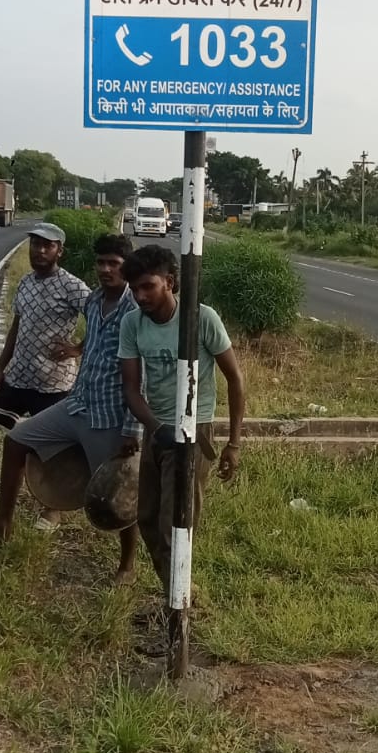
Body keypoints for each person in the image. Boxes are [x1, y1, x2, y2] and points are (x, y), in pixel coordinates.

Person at [0, 234, 141, 579]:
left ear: (127, 267)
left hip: (108, 416)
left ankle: (127, 565)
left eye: (113, 264)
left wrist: (132, 429)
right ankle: (2, 524)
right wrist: (77, 349)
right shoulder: (95, 299)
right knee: (16, 441)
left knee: (119, 490)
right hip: (76, 403)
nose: (105, 269)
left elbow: (141, 376)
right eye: (101, 262)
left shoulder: (135, 309)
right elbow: (94, 338)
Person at [117, 243, 245, 597]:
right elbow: (131, 389)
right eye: (134, 289)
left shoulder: (201, 318)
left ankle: (177, 605)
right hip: (157, 430)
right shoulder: (132, 323)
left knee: (175, 523)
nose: (140, 296)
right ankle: (178, 589)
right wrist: (156, 429)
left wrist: (234, 444)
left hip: (193, 429)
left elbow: (235, 379)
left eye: (148, 286)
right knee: (146, 517)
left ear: (170, 282)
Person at [0, 223, 89, 498]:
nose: (40, 251)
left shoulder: (73, 286)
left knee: (58, 447)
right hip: (18, 376)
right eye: (35, 244)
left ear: (59, 251)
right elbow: (16, 328)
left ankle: (53, 507)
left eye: (47, 246)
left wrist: (78, 349)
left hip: (54, 383)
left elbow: (103, 319)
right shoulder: (26, 283)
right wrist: (0, 368)